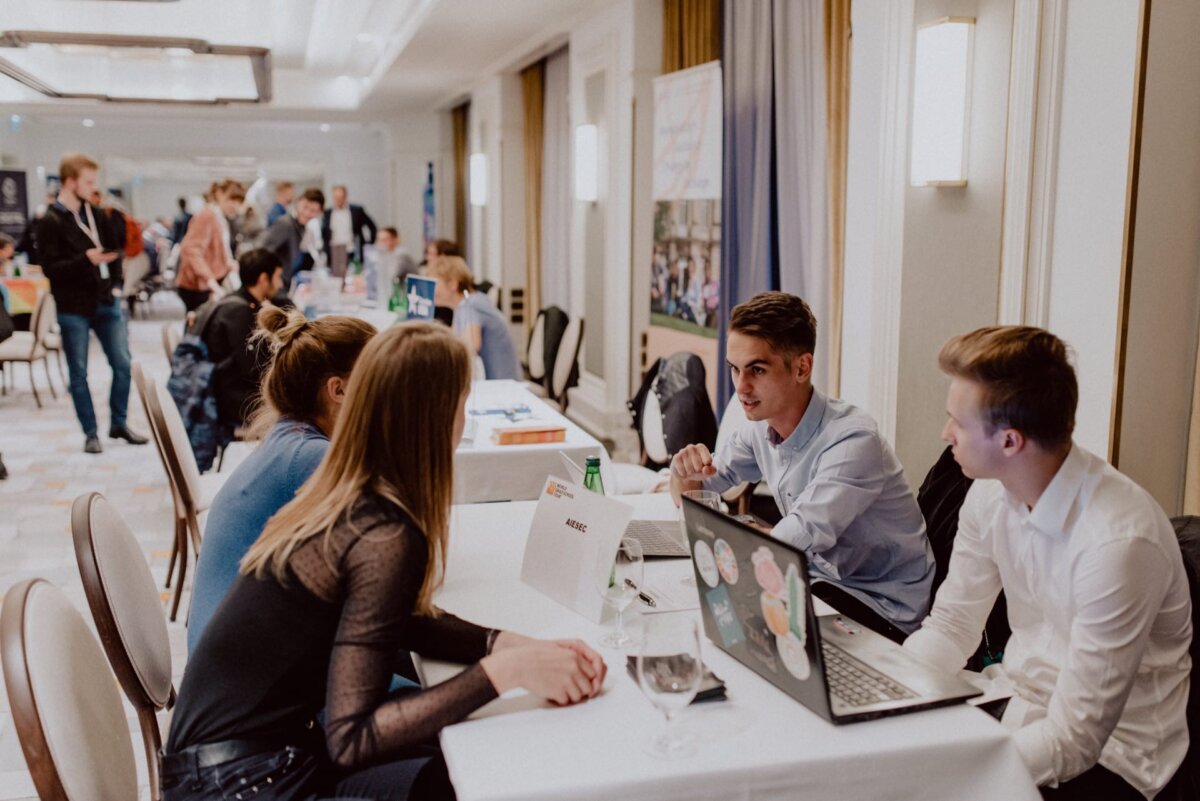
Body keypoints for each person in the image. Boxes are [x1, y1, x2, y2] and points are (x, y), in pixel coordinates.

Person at [163, 322, 607, 801]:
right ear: (437, 416)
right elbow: (353, 738)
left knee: (462, 757)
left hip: (236, 760)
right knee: (478, 770)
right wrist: (506, 673)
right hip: (242, 783)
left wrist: (502, 643)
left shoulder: (346, 488)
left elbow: (397, 620)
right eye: (463, 402)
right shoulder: (382, 528)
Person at [904, 326, 1191, 800]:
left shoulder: (1117, 545)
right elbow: (953, 625)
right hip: (1015, 699)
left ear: (1010, 441)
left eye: (957, 421)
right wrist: (891, 693)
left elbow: (1073, 742)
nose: (945, 433)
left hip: (1116, 757)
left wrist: (947, 773)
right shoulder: (988, 493)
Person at [669, 291, 933, 642]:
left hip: (881, 606)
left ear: (802, 367)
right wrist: (683, 472)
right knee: (715, 619)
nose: (741, 387)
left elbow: (792, 539)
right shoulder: (760, 429)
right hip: (820, 579)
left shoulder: (854, 440)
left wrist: (725, 548)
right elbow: (695, 495)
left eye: (757, 370)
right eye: (735, 369)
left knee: (736, 624)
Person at [187, 306, 377, 653]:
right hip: (245, 669)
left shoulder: (292, 436)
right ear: (339, 390)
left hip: (231, 648)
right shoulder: (311, 458)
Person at [36, 153, 149, 454]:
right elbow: (50, 268)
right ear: (70, 182)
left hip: (104, 301)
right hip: (73, 305)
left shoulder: (97, 214)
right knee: (79, 372)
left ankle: (119, 422)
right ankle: (90, 432)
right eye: (88, 181)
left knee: (123, 364)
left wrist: (114, 286)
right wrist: (84, 260)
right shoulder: (49, 220)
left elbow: (114, 251)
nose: (92, 186)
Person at [196, 248, 284, 431]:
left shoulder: (233, 301)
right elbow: (254, 369)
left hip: (224, 393)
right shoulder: (240, 312)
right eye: (277, 277)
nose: (281, 284)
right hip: (232, 404)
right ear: (263, 279)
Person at [426, 255, 520, 380]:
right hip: (505, 383)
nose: (429, 290)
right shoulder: (470, 302)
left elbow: (468, 347)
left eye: (434, 284)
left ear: (453, 285)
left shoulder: (468, 305)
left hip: (501, 388)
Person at [176, 179, 244, 314]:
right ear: (219, 194)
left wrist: (228, 263)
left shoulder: (219, 217)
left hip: (206, 283)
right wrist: (209, 279)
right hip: (197, 286)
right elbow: (190, 249)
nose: (235, 205)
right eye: (231, 199)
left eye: (238, 201)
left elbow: (217, 249)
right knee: (197, 328)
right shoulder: (207, 216)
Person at [261, 187, 325, 291]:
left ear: (319, 212)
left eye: (313, 210)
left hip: (285, 282)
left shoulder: (301, 227)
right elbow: (263, 252)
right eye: (305, 207)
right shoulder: (286, 224)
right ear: (298, 203)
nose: (307, 213)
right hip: (275, 286)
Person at [321, 184, 377, 274]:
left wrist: (369, 244)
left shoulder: (357, 211)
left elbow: (372, 226)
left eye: (340, 197)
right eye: (336, 197)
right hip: (334, 252)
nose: (338, 200)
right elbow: (324, 234)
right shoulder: (327, 213)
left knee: (355, 275)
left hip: (352, 251)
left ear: (345, 196)